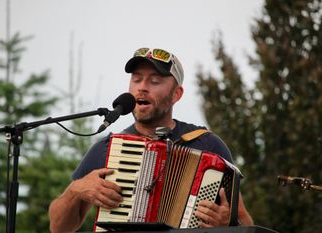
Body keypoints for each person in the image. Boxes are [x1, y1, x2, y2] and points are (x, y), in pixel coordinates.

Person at [49, 47, 253, 233]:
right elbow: (59, 228)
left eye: (154, 81)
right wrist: (76, 190)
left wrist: (227, 226)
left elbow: (247, 225)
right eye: (136, 79)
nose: (142, 87)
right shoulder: (106, 149)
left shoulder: (208, 145)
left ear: (176, 94)